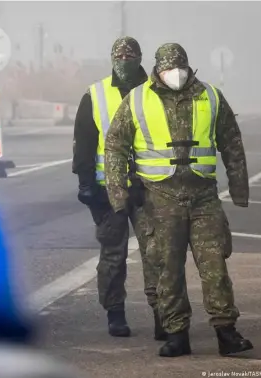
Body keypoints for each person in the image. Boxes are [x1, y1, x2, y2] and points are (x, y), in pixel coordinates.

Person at [104, 42, 254, 357]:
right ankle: (176, 334)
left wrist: (239, 187)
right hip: (159, 198)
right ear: (158, 70)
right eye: (169, 68)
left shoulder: (210, 96)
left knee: (215, 265)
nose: (175, 74)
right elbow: (116, 144)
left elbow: (231, 140)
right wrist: (117, 191)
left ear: (189, 67)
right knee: (167, 269)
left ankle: (226, 331)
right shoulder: (138, 99)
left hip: (203, 197)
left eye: (180, 68)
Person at [72, 36, 165, 340]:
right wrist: (86, 184)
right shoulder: (96, 94)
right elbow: (84, 143)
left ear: (140, 58)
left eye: (130, 56)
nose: (124, 61)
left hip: (149, 188)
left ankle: (164, 315)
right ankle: (116, 314)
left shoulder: (157, 92)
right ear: (112, 59)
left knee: (156, 254)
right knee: (114, 254)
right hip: (106, 191)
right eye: (119, 56)